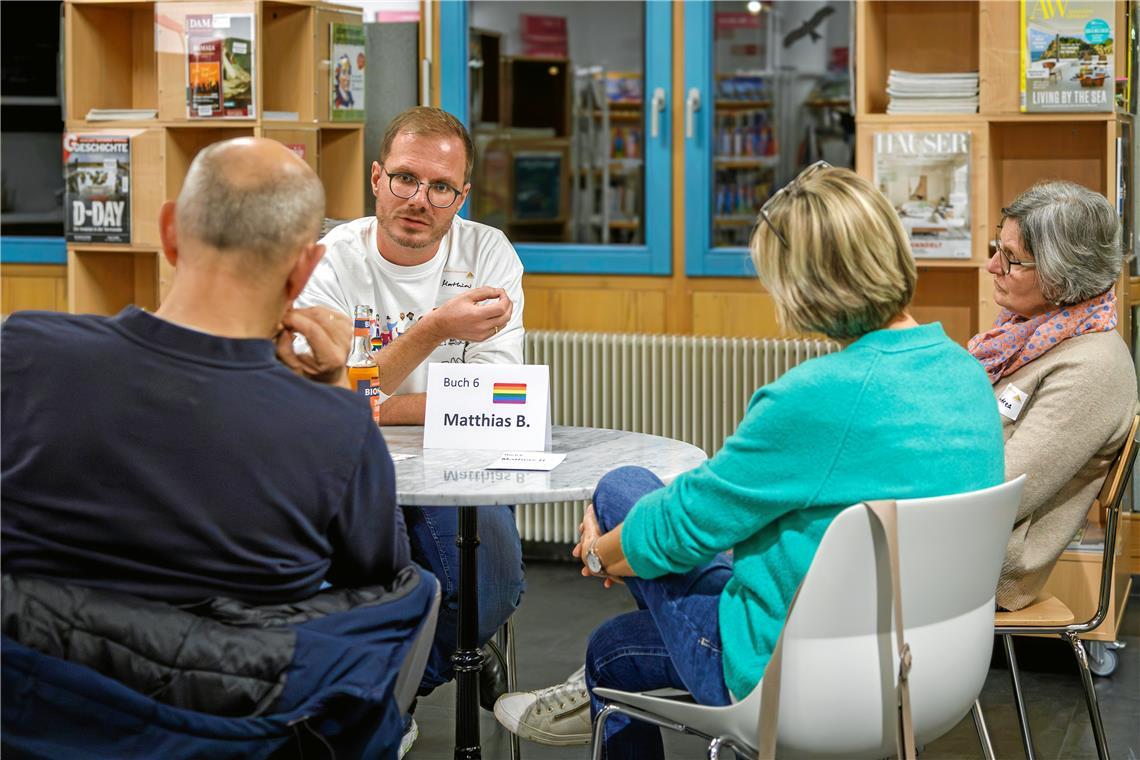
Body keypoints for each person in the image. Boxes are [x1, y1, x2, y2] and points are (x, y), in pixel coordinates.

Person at [495, 164, 1005, 756]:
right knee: (629, 490)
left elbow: (683, 527)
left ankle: (607, 685)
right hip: (927, 666)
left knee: (613, 639)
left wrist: (600, 552)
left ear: (808, 284)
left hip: (796, 673)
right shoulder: (966, 372)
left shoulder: (816, 397)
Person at [2, 138, 418, 753]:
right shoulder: (336, 428)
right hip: (232, 734)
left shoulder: (24, 354)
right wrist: (332, 391)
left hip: (32, 720)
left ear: (170, 230)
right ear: (304, 270)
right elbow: (383, 591)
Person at [294, 106, 526, 705]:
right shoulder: (329, 261)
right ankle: (392, 696)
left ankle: (388, 700)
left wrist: (373, 397)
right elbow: (328, 398)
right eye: (405, 178)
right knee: (365, 580)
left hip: (457, 457)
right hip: (353, 462)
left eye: (441, 187)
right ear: (377, 179)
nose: (420, 199)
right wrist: (434, 331)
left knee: (492, 586)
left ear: (462, 196)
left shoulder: (489, 255)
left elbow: (497, 396)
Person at [967, 181, 1138, 612]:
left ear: (1064, 275)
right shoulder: (1028, 333)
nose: (992, 266)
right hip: (958, 529)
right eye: (997, 249)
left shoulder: (1093, 367)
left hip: (982, 560)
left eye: (1011, 259)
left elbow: (1002, 490)